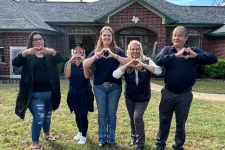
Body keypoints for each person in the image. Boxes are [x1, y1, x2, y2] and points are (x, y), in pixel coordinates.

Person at [154, 26, 218, 150]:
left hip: (184, 95)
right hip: (167, 93)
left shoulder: (193, 51)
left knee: (181, 123)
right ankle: (160, 144)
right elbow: (157, 60)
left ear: (186, 38)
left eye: (179, 35)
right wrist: (175, 56)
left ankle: (178, 146)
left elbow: (213, 58)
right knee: (164, 120)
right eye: (174, 35)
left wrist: (196, 56)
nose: (176, 38)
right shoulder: (167, 50)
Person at [12, 31, 64, 150]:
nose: (38, 41)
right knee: (39, 117)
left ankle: (46, 134)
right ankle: (34, 142)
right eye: (35, 39)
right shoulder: (28, 56)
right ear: (31, 42)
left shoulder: (49, 55)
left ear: (44, 40)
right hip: (35, 95)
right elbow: (15, 62)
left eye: (40, 38)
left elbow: (60, 59)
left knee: (47, 116)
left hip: (51, 93)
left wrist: (52, 51)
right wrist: (25, 52)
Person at [83, 26, 128, 148]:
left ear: (112, 37)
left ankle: (111, 139)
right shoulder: (96, 51)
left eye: (109, 35)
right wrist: (97, 55)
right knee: (102, 114)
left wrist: (113, 55)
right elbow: (85, 64)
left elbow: (127, 62)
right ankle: (102, 139)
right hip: (99, 87)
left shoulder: (117, 50)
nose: (107, 37)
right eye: (104, 35)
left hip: (115, 87)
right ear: (101, 37)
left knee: (112, 114)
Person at [113, 40, 162, 150]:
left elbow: (159, 71)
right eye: (132, 49)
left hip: (143, 96)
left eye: (137, 49)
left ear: (140, 50)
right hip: (130, 96)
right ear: (129, 50)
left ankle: (140, 143)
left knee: (137, 117)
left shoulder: (147, 61)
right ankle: (133, 137)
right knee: (132, 118)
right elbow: (115, 75)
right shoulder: (125, 61)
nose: (135, 51)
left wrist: (142, 64)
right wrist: (127, 65)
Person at [64, 43, 94, 145]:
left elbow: (86, 76)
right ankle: (80, 132)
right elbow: (67, 75)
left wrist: (84, 63)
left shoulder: (87, 62)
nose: (78, 51)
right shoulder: (69, 63)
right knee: (77, 114)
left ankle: (84, 136)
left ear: (83, 51)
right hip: (73, 92)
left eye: (80, 49)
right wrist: (69, 61)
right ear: (72, 51)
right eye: (75, 49)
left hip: (85, 92)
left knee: (83, 115)